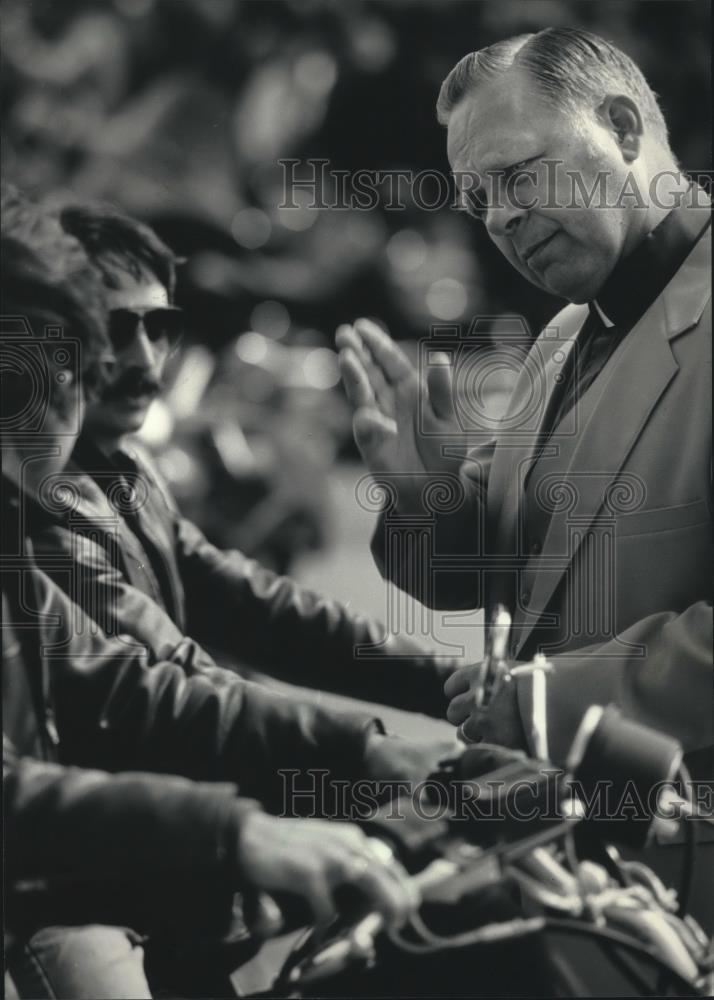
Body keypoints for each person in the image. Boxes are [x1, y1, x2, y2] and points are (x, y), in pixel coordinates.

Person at [0, 193, 450, 998]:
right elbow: (145, 693)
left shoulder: (122, 479)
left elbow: (242, 613)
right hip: (74, 883)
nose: (136, 362)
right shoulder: (42, 512)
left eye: (156, 328)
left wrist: (437, 689)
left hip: (116, 843)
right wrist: (258, 816)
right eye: (100, 340)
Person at [336, 27, 712, 772]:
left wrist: (548, 705)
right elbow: (494, 572)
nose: (499, 219)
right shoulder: (563, 336)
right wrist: (429, 499)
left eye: (518, 176)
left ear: (623, 129)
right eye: (479, 199)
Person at [27, 200, 457, 717]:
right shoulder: (39, 498)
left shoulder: (124, 467)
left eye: (159, 325)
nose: (145, 356)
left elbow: (248, 607)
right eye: (115, 329)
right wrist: (383, 759)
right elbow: (178, 692)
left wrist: (452, 684)